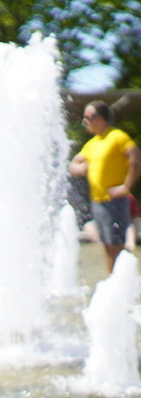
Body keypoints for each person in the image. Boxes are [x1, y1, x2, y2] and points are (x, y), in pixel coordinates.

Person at [69, 100, 141, 272]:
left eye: (88, 117)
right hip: (97, 201)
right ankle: (114, 280)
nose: (84, 121)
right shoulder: (92, 143)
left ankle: (118, 281)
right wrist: (80, 168)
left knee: (115, 244)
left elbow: (136, 157)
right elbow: (73, 164)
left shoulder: (116, 137)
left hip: (114, 200)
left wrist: (126, 187)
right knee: (107, 244)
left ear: (99, 118)